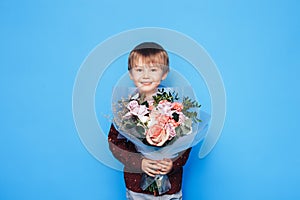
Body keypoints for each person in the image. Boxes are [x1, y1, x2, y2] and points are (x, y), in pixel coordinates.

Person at [108, 42, 191, 200]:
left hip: (170, 187)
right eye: (139, 70)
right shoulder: (125, 109)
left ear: (164, 73)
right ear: (131, 75)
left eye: (153, 70)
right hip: (137, 186)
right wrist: (140, 163)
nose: (146, 76)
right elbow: (115, 143)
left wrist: (173, 163)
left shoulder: (175, 109)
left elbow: (186, 142)